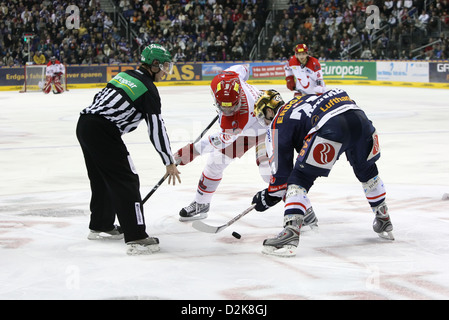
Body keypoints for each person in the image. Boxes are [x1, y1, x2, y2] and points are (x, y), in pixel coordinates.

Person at [251, 88, 394, 257]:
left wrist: (268, 197)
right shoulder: (303, 100)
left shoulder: (277, 121)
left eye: (262, 116)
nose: (265, 122)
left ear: (269, 110)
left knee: (299, 178)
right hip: (360, 119)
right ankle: (383, 217)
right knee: (367, 170)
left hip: (332, 127)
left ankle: (290, 233)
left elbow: (281, 175)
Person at [76, 44, 181, 255]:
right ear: (154, 65)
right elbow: (157, 129)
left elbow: (99, 99)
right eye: (164, 66)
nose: (166, 71)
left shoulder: (124, 76)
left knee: (102, 178)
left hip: (85, 124)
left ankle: (101, 225)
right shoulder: (149, 89)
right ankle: (136, 237)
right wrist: (168, 161)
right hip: (104, 131)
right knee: (127, 180)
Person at [173, 65, 270, 221]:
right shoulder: (226, 77)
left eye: (233, 107)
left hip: (266, 126)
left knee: (269, 172)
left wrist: (189, 152)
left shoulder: (238, 119)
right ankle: (201, 203)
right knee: (215, 162)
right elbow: (244, 68)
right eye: (224, 108)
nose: (228, 112)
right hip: (250, 127)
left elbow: (217, 141)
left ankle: (300, 208)